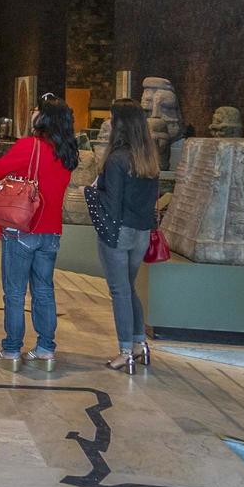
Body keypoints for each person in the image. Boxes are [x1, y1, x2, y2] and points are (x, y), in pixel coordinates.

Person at [0, 97, 78, 371]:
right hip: (51, 231)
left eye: (37, 110)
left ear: (45, 118)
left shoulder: (29, 146)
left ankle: (12, 349)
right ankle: (45, 349)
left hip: (22, 228)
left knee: (14, 292)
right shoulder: (67, 152)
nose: (33, 113)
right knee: (44, 290)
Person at [93, 98, 161, 374]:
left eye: (111, 117)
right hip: (141, 233)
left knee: (119, 291)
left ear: (119, 123)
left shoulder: (117, 159)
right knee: (129, 288)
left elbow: (113, 203)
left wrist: (94, 192)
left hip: (118, 232)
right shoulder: (149, 157)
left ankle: (125, 352)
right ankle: (139, 344)